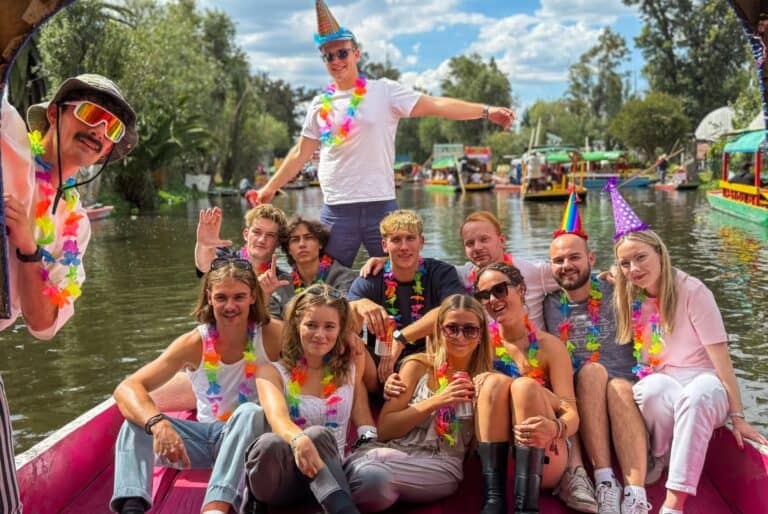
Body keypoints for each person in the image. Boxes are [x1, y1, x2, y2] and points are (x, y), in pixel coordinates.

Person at [251, 0, 516, 268]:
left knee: (400, 274)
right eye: (329, 56)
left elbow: (435, 105)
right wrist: (269, 187)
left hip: (380, 205)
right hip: (337, 209)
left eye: (342, 53)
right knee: (323, 279)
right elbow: (300, 153)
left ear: (356, 53)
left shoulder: (384, 91)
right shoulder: (320, 103)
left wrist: (486, 111)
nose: (336, 61)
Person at [1, 73, 138, 513]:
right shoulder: (12, 147)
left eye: (111, 128)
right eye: (92, 114)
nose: (100, 132)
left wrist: (27, 246)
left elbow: (42, 324)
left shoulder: (75, 227)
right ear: (55, 115)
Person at [606, 182, 768, 514]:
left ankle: (673, 503)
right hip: (666, 379)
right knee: (648, 390)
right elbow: (612, 275)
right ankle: (662, 454)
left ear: (660, 254)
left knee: (696, 397)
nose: (634, 269)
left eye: (641, 258)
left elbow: (722, 361)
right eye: (625, 264)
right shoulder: (633, 295)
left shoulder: (693, 291)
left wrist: (738, 417)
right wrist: (613, 274)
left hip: (707, 380)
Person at [110, 257, 283, 514]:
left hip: (252, 441)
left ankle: (216, 507)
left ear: (253, 298)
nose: (230, 305)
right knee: (134, 423)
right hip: (205, 438)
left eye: (239, 297)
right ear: (210, 298)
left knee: (250, 412)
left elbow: (318, 352)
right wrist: (158, 424)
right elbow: (126, 388)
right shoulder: (195, 342)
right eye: (222, 297)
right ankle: (131, 508)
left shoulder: (273, 334)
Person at [544, 192, 650, 514]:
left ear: (591, 259)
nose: (566, 266)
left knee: (617, 384)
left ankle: (635, 494)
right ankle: (605, 481)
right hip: (580, 393)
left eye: (574, 257)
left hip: (625, 393)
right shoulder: (547, 302)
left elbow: (661, 278)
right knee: (591, 372)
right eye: (559, 261)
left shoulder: (620, 288)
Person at [344, 294, 498, 511]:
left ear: (481, 334)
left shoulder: (487, 380)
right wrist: (438, 400)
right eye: (451, 328)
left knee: (373, 479)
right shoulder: (416, 366)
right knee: (369, 471)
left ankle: (347, 485)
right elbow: (386, 429)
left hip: (440, 463)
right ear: (439, 331)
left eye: (470, 330)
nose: (460, 337)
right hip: (391, 449)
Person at [241, 285, 372, 514]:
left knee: (319, 435)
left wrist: (369, 436)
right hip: (284, 480)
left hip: (333, 469)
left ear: (341, 330)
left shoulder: (352, 364)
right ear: (295, 326)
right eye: (311, 325)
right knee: (268, 444)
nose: (320, 334)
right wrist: (299, 440)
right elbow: (278, 418)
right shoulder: (270, 373)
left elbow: (362, 397)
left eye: (329, 326)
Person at [474, 262, 579, 514]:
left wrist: (554, 427)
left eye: (499, 290)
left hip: (544, 454)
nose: (492, 299)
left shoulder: (550, 347)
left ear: (520, 290)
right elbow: (445, 317)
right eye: (484, 295)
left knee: (523, 388)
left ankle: (526, 508)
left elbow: (572, 414)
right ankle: (494, 502)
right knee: (493, 382)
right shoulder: (478, 343)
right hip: (495, 456)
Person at [362, 210, 558, 329]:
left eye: (484, 239)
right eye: (470, 243)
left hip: (531, 354)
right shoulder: (462, 275)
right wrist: (388, 258)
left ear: (502, 240)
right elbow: (419, 265)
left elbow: (572, 272)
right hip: (488, 358)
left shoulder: (534, 271)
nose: (477, 248)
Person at [347, 209, 466, 386]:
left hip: (430, 358)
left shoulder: (441, 272)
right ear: (384, 245)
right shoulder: (370, 278)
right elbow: (341, 323)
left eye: (410, 238)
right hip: (380, 364)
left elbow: (454, 310)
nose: (404, 247)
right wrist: (357, 305)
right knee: (348, 343)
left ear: (421, 242)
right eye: (396, 240)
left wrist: (401, 338)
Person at [195, 205, 292, 318]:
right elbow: (205, 265)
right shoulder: (225, 261)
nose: (262, 240)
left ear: (278, 242)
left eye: (270, 235)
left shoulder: (283, 280)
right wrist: (204, 246)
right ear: (246, 234)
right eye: (256, 232)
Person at [272, 215, 357, 318]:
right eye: (295, 240)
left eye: (308, 238)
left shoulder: (343, 277)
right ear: (289, 249)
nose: (302, 244)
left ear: (320, 244)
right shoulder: (282, 284)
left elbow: (346, 316)